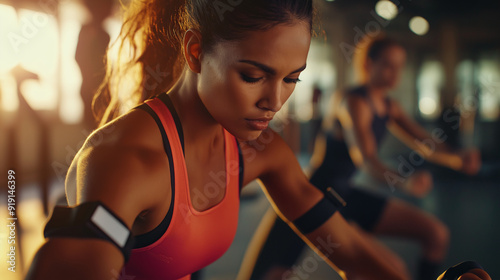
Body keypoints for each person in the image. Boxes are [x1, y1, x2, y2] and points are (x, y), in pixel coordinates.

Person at [25, 1, 411, 280]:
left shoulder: (260, 151)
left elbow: (353, 252)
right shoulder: (127, 158)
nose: (274, 102)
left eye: (291, 79)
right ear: (195, 51)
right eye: (252, 76)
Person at [243, 36, 482, 280]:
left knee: (434, 235)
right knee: (265, 275)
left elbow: (426, 144)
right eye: (388, 65)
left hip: (346, 196)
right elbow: (365, 158)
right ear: (368, 65)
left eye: (399, 66)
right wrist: (405, 182)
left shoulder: (390, 106)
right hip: (315, 195)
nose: (395, 73)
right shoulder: (353, 101)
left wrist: (458, 159)